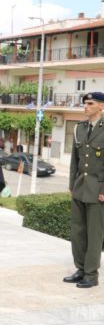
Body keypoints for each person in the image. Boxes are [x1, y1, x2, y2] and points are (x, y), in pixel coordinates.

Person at [64, 92, 104, 288]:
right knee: (78, 231)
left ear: (101, 106)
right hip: (80, 186)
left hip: (98, 189)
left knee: (94, 233)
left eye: (90, 103)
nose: (86, 107)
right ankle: (80, 269)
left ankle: (91, 274)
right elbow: (75, 160)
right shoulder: (79, 128)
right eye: (85, 103)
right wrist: (72, 185)